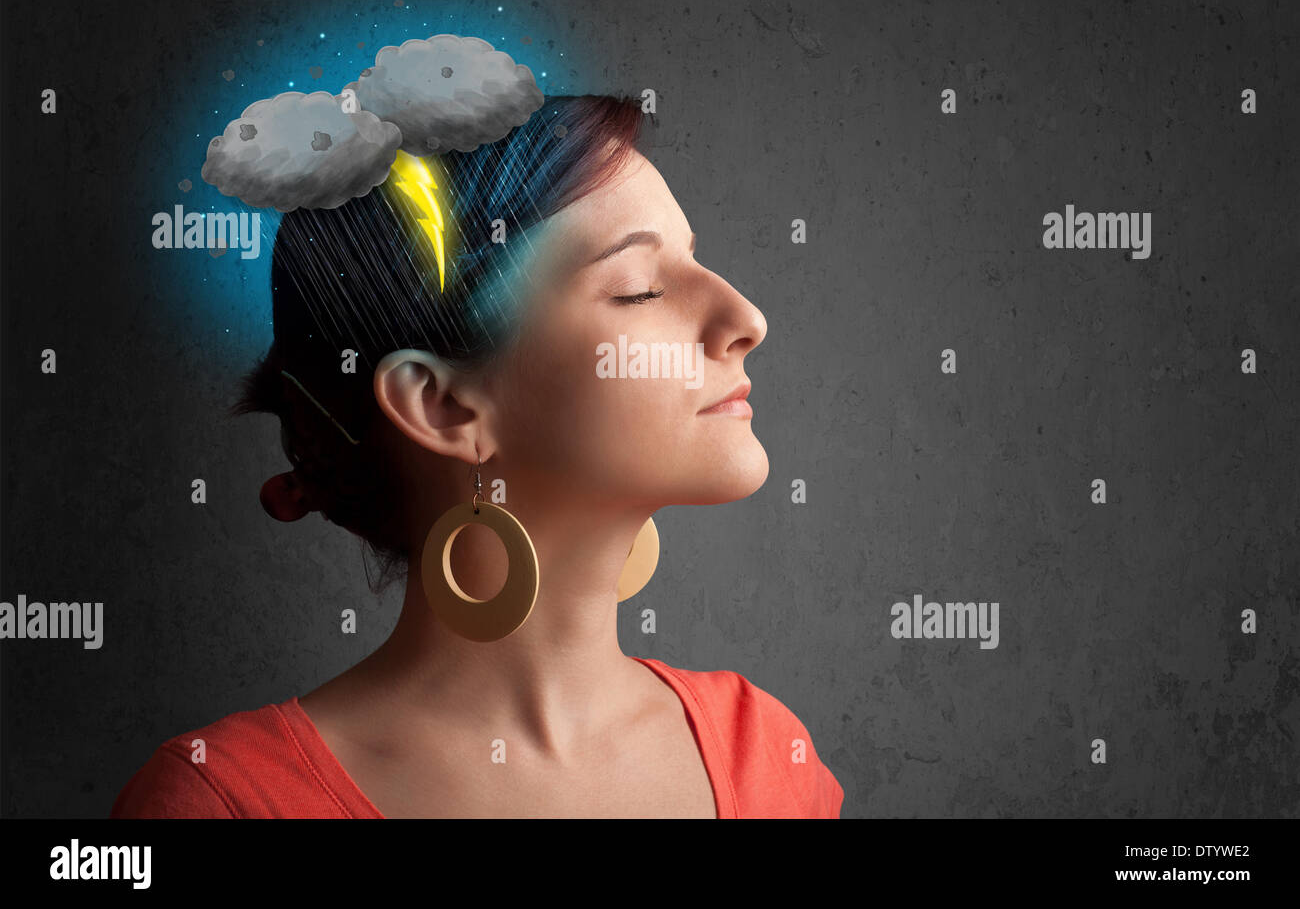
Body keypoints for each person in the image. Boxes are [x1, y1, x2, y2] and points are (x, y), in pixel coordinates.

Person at [111, 94, 843, 818]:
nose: (747, 319)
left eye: (693, 258)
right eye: (640, 289)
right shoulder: (226, 802)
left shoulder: (770, 754)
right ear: (444, 405)